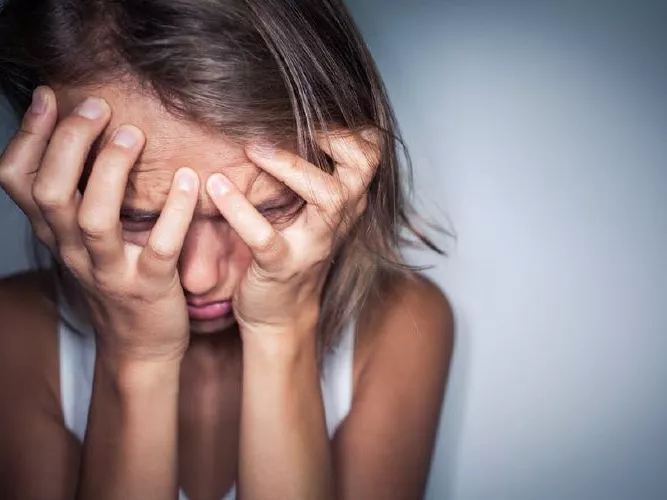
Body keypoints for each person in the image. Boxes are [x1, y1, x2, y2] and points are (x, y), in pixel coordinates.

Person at [0, 0, 454, 499]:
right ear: (52, 182)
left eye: (266, 209)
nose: (199, 276)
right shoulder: (15, 334)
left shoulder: (400, 324)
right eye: (138, 217)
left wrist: (282, 329)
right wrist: (136, 356)